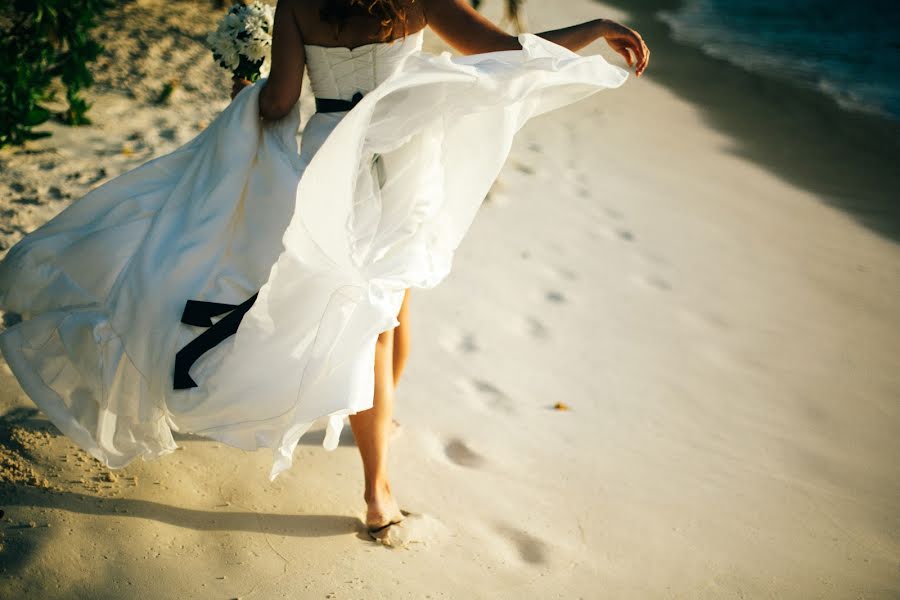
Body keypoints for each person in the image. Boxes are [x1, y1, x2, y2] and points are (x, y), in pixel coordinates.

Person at [0, 0, 647, 538]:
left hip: (331, 164)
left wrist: (242, 88)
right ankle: (377, 489)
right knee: (389, 311)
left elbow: (281, 102)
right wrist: (592, 30)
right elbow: (503, 51)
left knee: (379, 310)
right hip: (407, 160)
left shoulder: (300, 3)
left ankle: (378, 426)